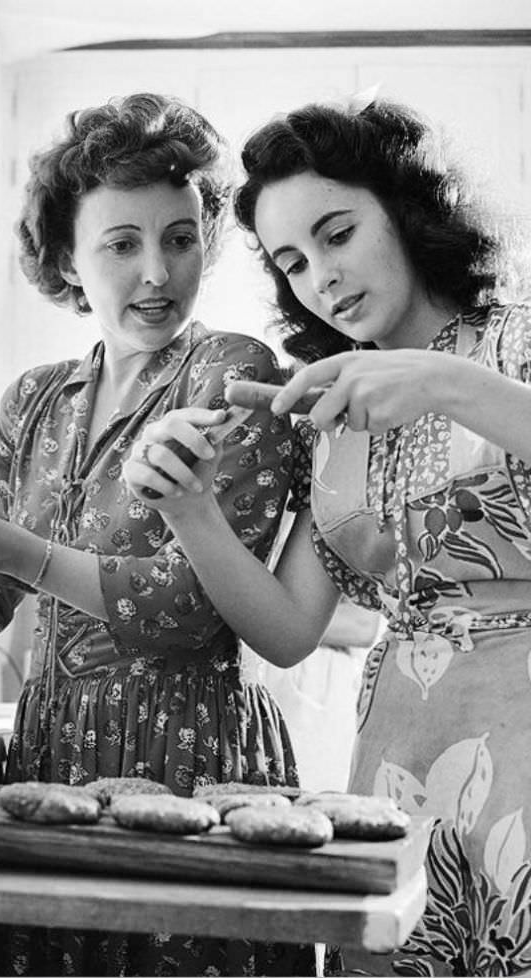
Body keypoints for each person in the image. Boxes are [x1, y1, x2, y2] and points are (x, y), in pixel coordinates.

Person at [0, 93, 316, 977]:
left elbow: (191, 609)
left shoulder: (230, 375)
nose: (157, 272)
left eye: (181, 237)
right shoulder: (34, 401)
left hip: (195, 755)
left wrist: (15, 550)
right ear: (66, 258)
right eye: (122, 244)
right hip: (50, 762)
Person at [122, 94, 531, 977]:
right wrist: (189, 510)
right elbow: (287, 628)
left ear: (407, 212)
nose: (322, 279)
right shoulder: (330, 418)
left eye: (338, 234)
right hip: (397, 768)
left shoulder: (517, 340)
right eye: (294, 262)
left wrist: (445, 383)